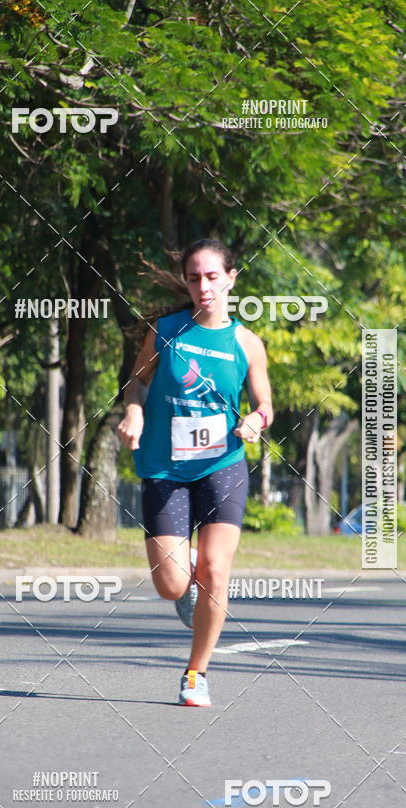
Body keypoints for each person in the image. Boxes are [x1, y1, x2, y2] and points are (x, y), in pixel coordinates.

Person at [117, 238, 273, 707]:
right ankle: (188, 587)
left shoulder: (246, 343)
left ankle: (195, 674)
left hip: (222, 464)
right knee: (172, 584)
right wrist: (135, 413)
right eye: (193, 278)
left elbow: (266, 404)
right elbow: (137, 382)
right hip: (166, 467)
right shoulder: (166, 331)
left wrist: (255, 420)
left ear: (231, 278)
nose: (203, 286)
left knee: (216, 571)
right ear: (185, 282)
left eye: (211, 276)